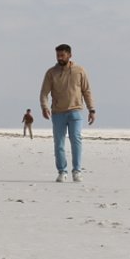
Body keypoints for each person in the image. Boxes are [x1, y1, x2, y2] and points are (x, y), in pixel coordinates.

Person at [39, 43, 95, 182]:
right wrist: (45, 107)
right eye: (58, 55)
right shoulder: (51, 73)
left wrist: (91, 109)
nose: (60, 58)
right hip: (58, 113)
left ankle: (77, 170)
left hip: (75, 111)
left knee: (76, 139)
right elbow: (44, 93)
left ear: (69, 55)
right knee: (59, 143)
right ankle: (62, 171)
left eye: (62, 55)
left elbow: (86, 91)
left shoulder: (79, 71)